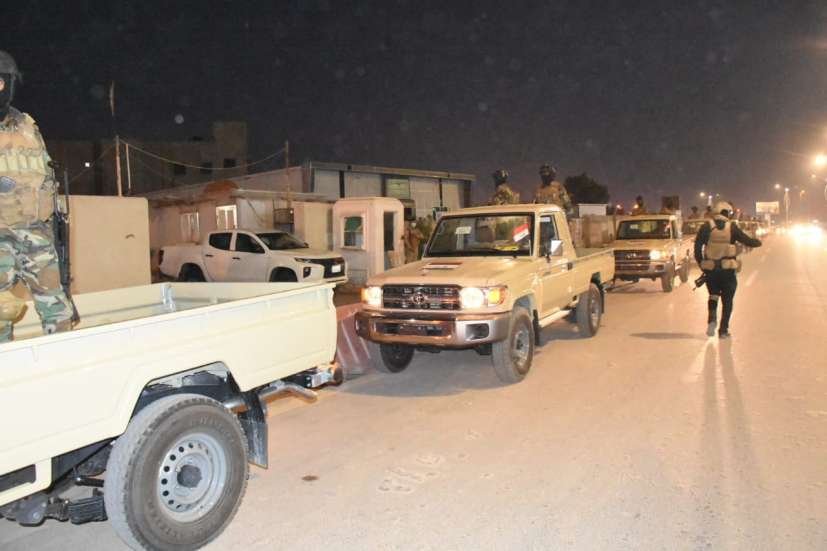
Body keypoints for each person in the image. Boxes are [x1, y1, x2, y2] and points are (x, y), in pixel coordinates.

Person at [0, 50, 75, 342]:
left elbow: (45, 179)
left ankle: (63, 362)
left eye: (2, 82)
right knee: (1, 316)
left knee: (58, 312)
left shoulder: (28, 126)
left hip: (36, 236)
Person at [694, 201, 762, 339]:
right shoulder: (732, 227)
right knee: (728, 300)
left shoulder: (706, 227)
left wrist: (702, 263)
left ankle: (712, 319)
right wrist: (757, 242)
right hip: (728, 270)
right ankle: (723, 330)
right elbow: (747, 241)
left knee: (713, 295)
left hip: (711, 270)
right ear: (726, 213)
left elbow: (697, 247)